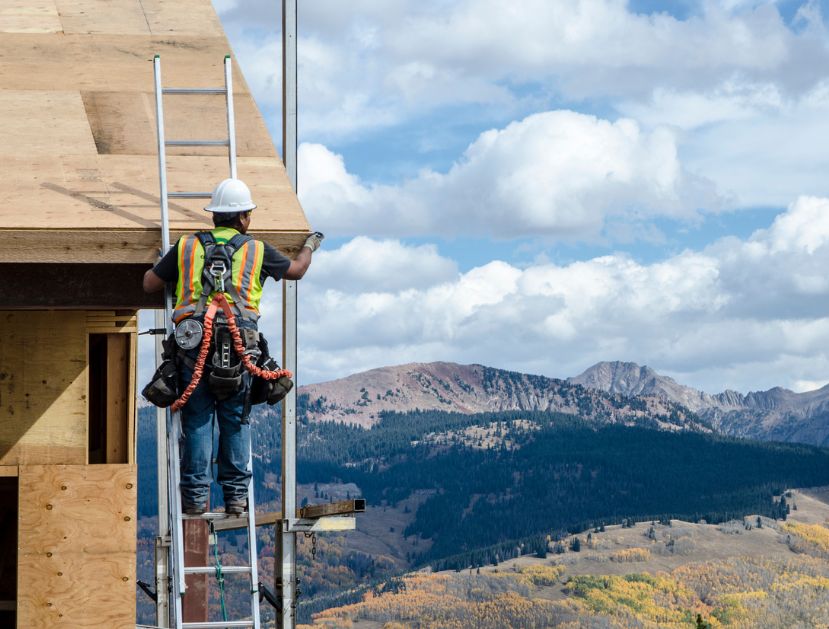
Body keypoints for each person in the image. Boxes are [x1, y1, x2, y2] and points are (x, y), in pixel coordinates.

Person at [143, 177, 322, 515]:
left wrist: (161, 260)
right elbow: (297, 270)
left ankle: (195, 500)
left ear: (214, 216)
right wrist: (311, 245)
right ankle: (236, 498)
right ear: (243, 218)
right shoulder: (256, 249)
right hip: (239, 349)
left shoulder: (186, 246)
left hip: (192, 347)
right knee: (236, 420)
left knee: (196, 420)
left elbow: (150, 283)